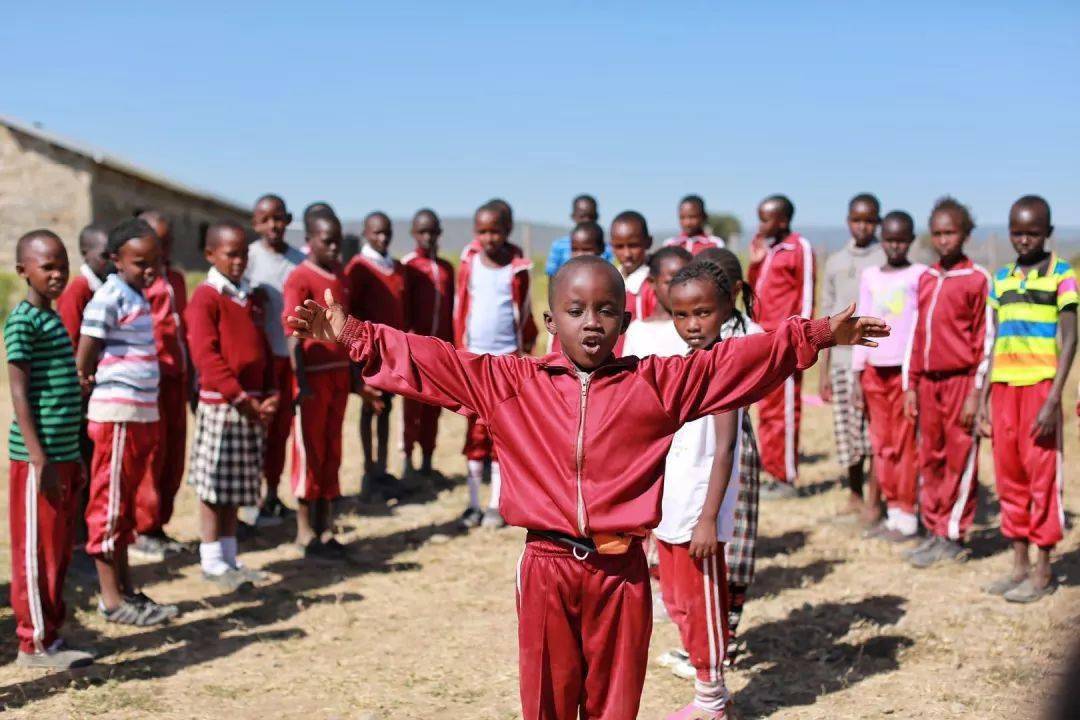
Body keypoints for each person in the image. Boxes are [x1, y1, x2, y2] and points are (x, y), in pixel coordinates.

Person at [286, 255, 888, 720]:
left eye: (606, 310)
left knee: (614, 704)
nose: (592, 322)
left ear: (625, 321)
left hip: (621, 573)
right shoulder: (511, 384)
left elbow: (731, 363)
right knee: (547, 701)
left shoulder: (656, 384)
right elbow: (433, 361)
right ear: (552, 321)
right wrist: (353, 335)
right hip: (546, 568)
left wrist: (814, 336)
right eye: (576, 310)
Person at [652, 258, 762, 719]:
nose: (692, 324)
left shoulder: (724, 368)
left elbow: (724, 450)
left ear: (724, 309)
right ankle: (709, 693)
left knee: (703, 607)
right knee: (677, 602)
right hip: (671, 509)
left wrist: (708, 520)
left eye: (702, 313)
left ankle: (712, 699)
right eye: (681, 315)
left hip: (700, 514)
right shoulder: (681, 364)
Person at [76, 218, 178, 625]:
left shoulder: (138, 296)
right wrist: (88, 385)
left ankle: (127, 590)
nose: (150, 270)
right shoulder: (109, 296)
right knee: (109, 505)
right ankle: (111, 600)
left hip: (139, 415)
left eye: (156, 262)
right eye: (141, 263)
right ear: (116, 260)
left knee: (125, 508)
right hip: (116, 417)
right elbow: (86, 351)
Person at [978, 195, 1076, 602]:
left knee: (1042, 478)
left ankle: (1043, 569)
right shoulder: (1001, 279)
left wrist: (1053, 400)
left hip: (1039, 389)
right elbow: (993, 342)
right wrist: (982, 398)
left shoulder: (1062, 275)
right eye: (1017, 232)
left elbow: (1070, 339)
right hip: (1004, 389)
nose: (1024, 240)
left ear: (1047, 232)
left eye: (1032, 233)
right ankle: (1018, 563)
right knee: (1010, 476)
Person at [5, 230, 94, 669]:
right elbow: (19, 391)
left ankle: (52, 634)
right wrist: (38, 457)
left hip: (63, 454)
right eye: (48, 267)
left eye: (63, 265)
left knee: (58, 549)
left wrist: (72, 452)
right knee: (35, 554)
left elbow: (53, 385)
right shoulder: (22, 321)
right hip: (37, 461)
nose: (58, 275)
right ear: (23, 271)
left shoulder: (53, 318)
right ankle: (34, 644)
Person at [186, 222, 279, 591]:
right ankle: (211, 560)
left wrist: (271, 390)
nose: (239, 261)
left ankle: (229, 556)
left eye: (243, 254)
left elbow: (263, 348)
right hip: (224, 405)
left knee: (236, 486)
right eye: (231, 254)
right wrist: (239, 397)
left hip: (251, 404)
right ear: (211, 255)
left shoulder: (249, 297)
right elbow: (205, 355)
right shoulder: (206, 298)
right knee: (214, 488)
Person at [903, 197, 994, 568]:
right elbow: (915, 334)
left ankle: (954, 533)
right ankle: (934, 528)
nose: (943, 240)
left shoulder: (977, 279)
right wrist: (910, 384)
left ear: (965, 234)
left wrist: (976, 393)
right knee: (930, 457)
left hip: (960, 384)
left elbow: (986, 341)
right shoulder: (925, 277)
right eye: (938, 233)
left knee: (959, 456)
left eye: (951, 233)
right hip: (928, 384)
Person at [696, 247, 762, 669]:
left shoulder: (751, 333)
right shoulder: (692, 330)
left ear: (734, 290)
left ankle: (729, 630)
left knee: (736, 536)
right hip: (694, 443)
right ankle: (705, 635)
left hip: (736, 442)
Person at [453, 202, 537, 529]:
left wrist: (526, 349)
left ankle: (496, 504)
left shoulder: (517, 268)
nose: (489, 238)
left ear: (508, 230)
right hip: (473, 361)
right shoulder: (470, 263)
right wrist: (459, 351)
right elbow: (461, 307)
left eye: (496, 231)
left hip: (507, 361)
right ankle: (473, 503)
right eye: (483, 231)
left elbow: (525, 310)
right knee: (475, 431)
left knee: (502, 432)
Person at [851, 211, 926, 542]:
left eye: (901, 240)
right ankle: (892, 510)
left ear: (911, 241)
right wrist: (857, 373)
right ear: (881, 241)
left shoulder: (919, 275)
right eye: (889, 240)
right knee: (881, 444)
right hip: (873, 371)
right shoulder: (869, 275)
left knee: (905, 443)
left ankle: (908, 513)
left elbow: (920, 325)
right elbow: (862, 324)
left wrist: (916, 375)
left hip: (904, 373)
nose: (895, 246)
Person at [283, 211, 351, 562]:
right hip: (313, 378)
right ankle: (304, 530)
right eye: (327, 241)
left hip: (338, 376)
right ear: (310, 241)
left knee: (331, 451)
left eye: (338, 241)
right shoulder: (300, 277)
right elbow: (292, 333)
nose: (334, 247)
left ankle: (325, 527)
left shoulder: (340, 276)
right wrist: (301, 382)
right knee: (309, 451)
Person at [820, 194, 884, 518]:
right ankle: (855, 492)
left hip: (875, 358)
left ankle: (877, 496)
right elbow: (826, 318)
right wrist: (823, 372)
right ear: (848, 221)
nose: (863, 226)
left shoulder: (885, 257)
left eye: (869, 220)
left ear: (878, 222)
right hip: (842, 360)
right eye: (857, 220)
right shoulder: (835, 262)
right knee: (848, 432)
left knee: (875, 431)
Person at [748, 194, 815, 498]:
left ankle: (785, 477)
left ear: (783, 220)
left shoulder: (799, 248)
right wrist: (755, 263)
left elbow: (807, 296)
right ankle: (771, 470)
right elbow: (752, 291)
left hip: (786, 341)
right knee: (767, 409)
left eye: (765, 219)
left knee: (784, 410)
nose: (760, 225)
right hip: (762, 340)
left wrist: (802, 338)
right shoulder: (766, 248)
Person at [131, 210, 189, 561]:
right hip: (151, 380)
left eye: (168, 243)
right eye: (157, 243)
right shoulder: (137, 284)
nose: (164, 250)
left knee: (173, 454)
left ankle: (160, 524)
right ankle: (143, 528)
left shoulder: (176, 279)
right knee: (152, 455)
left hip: (176, 379)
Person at [245, 193, 305, 525]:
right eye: (265, 220)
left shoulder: (300, 261)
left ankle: (272, 494)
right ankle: (250, 497)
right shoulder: (248, 259)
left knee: (282, 430)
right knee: (258, 430)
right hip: (260, 360)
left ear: (289, 220)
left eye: (278, 218)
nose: (273, 225)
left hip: (290, 358)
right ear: (255, 224)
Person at [344, 211, 408, 499]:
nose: (382, 238)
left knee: (387, 408)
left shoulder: (395, 267)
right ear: (366, 234)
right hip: (367, 352)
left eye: (387, 232)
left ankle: (382, 469)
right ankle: (368, 472)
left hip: (391, 353)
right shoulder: (358, 268)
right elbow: (350, 312)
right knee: (370, 408)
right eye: (376, 233)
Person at [400, 209, 454, 481]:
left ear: (439, 233)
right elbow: (403, 308)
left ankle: (427, 461)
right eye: (422, 232)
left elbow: (452, 308)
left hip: (440, 351)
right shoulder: (408, 266)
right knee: (412, 408)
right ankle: (407, 462)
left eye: (432, 232)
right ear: (413, 233)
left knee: (435, 406)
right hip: (414, 351)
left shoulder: (446, 268)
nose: (427, 237)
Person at [545, 195, 612, 276]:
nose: (587, 220)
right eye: (582, 216)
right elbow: (552, 276)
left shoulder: (607, 249)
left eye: (591, 216)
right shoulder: (559, 246)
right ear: (573, 216)